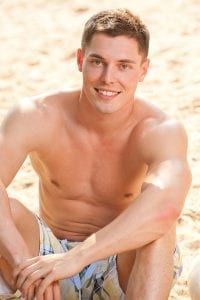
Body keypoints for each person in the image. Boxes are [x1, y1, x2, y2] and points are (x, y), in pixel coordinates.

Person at [0, 8, 191, 300]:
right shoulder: (35, 116)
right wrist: (24, 264)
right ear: (80, 60)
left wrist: (75, 259)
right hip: (48, 254)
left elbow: (165, 208)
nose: (107, 78)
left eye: (124, 65)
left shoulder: (160, 129)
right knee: (8, 209)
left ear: (143, 69)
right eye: (97, 62)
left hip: (118, 260)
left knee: (158, 229)